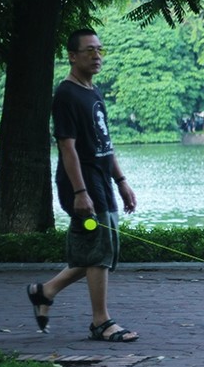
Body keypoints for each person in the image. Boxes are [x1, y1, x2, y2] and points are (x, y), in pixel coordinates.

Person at [26, 28, 139, 342]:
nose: (96, 55)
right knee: (99, 250)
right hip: (82, 184)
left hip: (101, 181)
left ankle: (44, 291)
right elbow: (67, 147)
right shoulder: (66, 94)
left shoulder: (92, 91)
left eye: (99, 49)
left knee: (100, 250)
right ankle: (100, 322)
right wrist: (79, 192)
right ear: (72, 56)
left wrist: (122, 182)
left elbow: (105, 142)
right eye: (89, 50)